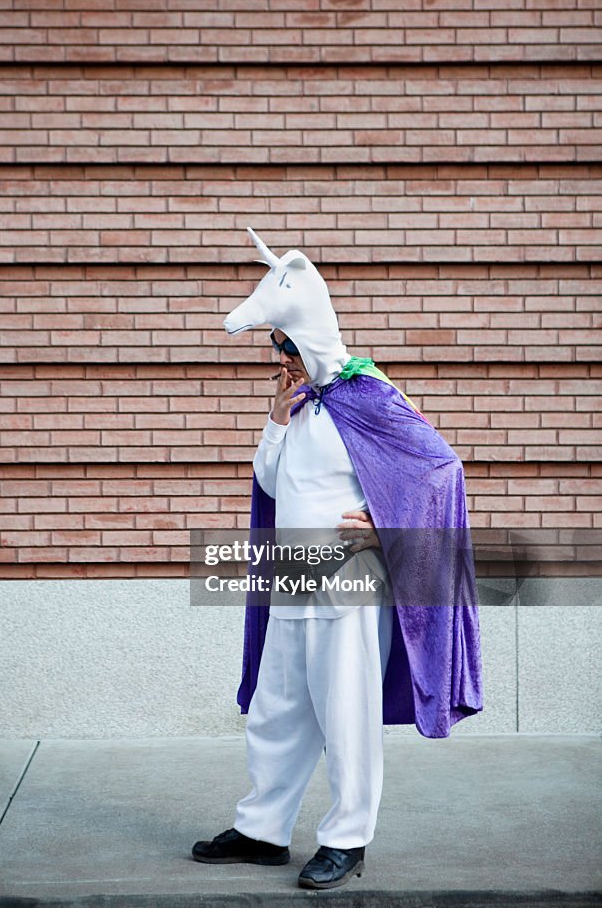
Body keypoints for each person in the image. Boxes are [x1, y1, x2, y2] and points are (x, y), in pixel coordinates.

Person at [192, 229, 483, 891]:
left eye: (282, 346)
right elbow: (269, 484)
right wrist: (275, 418)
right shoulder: (298, 407)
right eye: (273, 349)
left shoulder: (372, 397)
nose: (277, 358)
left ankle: (346, 839)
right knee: (278, 703)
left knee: (344, 706)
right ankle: (262, 829)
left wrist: (388, 527)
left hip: (350, 571)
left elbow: (440, 471)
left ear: (305, 340)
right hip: (295, 567)